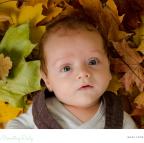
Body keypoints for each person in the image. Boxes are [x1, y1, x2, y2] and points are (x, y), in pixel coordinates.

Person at [5, 14, 137, 129]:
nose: (83, 73)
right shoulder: (42, 112)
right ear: (48, 80)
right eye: (66, 68)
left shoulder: (118, 118)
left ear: (108, 68)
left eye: (93, 62)